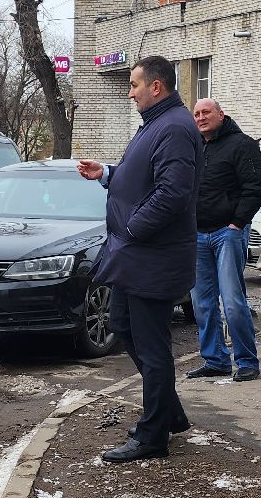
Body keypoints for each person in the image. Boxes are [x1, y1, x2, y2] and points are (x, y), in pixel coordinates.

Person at [78, 56, 201, 463]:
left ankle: (153, 436)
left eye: (133, 85)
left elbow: (172, 194)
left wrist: (131, 229)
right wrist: (108, 173)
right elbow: (141, 178)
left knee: (151, 345)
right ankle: (171, 413)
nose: (129, 93)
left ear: (156, 87)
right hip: (136, 255)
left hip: (153, 256)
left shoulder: (176, 128)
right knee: (122, 326)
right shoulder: (157, 124)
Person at [188, 97, 261, 382]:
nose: (200, 117)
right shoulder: (193, 147)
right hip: (197, 236)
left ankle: (247, 361)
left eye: (206, 112)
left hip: (228, 233)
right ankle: (215, 359)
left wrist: (237, 223)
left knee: (233, 301)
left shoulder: (242, 145)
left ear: (221, 114)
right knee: (202, 303)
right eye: (196, 113)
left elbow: (257, 188)